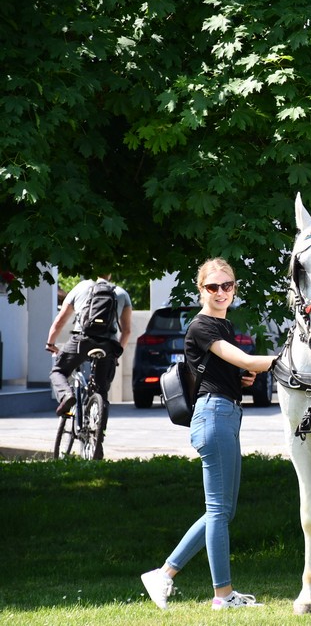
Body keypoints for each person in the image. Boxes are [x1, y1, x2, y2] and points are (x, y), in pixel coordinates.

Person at [141, 258, 277, 611]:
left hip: (227, 414)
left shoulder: (224, 325)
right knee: (218, 510)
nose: (220, 292)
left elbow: (232, 369)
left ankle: (164, 574)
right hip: (214, 416)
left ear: (234, 287)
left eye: (227, 285)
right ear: (200, 289)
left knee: (223, 511)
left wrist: (243, 379)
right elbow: (242, 360)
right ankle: (222, 595)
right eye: (212, 287)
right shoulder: (201, 326)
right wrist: (287, 358)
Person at [46, 274, 133, 415]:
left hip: (82, 340)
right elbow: (127, 331)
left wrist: (50, 343)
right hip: (108, 344)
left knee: (58, 371)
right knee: (101, 390)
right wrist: (116, 354)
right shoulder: (122, 293)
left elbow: (60, 321)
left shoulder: (80, 287)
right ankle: (99, 431)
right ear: (110, 274)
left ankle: (67, 396)